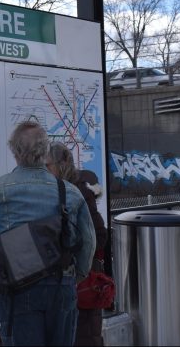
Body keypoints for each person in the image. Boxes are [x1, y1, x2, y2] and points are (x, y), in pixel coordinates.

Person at [0, 121, 95, 346]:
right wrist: (76, 276)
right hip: (61, 285)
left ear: (15, 151)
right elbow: (88, 240)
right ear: (45, 150)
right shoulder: (69, 191)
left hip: (17, 288)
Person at [47, 142, 108, 346]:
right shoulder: (56, 190)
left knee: (84, 334)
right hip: (68, 278)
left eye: (48, 166)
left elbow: (100, 235)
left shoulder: (80, 191)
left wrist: (73, 249)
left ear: (60, 165)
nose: (44, 171)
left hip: (83, 278)